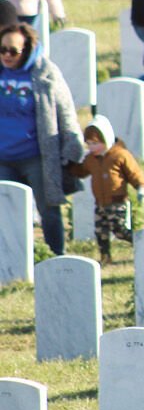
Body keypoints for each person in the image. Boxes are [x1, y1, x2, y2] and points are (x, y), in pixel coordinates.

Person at [0, 23, 83, 256]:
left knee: (49, 210)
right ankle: (13, 259)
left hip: (35, 156)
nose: (6, 55)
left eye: (13, 51)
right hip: (3, 158)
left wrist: (72, 145)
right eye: (2, 49)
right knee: (7, 210)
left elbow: (65, 110)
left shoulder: (45, 73)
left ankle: (57, 254)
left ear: (26, 50)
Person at [68, 115, 144, 265]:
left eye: (95, 143)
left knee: (120, 230)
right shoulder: (91, 159)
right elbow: (81, 171)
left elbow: (134, 173)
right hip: (100, 203)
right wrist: (68, 166)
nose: (92, 147)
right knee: (100, 232)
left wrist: (140, 187)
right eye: (89, 144)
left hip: (117, 202)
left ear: (106, 139)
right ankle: (105, 257)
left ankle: (142, 245)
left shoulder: (120, 155)